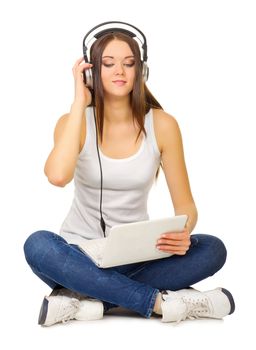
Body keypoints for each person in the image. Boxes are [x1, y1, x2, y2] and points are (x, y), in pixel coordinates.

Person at [23, 21, 235, 326]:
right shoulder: (73, 122)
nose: (119, 71)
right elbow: (57, 176)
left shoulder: (162, 125)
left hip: (136, 256)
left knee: (212, 249)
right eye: (107, 64)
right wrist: (79, 102)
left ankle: (85, 301)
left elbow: (185, 204)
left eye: (129, 63)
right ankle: (161, 303)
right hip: (79, 255)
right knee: (38, 245)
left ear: (141, 71)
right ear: (91, 72)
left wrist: (184, 231)